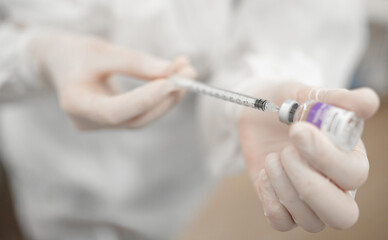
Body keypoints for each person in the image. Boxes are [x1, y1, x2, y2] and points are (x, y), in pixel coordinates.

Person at [0, 0, 380, 239]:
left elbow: (297, 18)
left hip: (172, 174)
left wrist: (265, 84)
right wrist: (35, 58)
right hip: (39, 149)